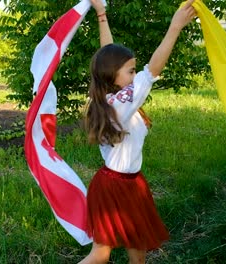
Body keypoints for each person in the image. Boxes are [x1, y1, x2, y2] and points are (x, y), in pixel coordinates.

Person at [79, 0, 197, 263]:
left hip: (128, 184)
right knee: (100, 255)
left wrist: (101, 13)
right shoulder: (121, 104)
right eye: (130, 71)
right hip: (114, 187)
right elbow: (153, 70)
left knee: (138, 256)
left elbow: (108, 54)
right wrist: (175, 27)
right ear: (112, 74)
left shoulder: (112, 95)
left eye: (134, 70)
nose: (134, 76)